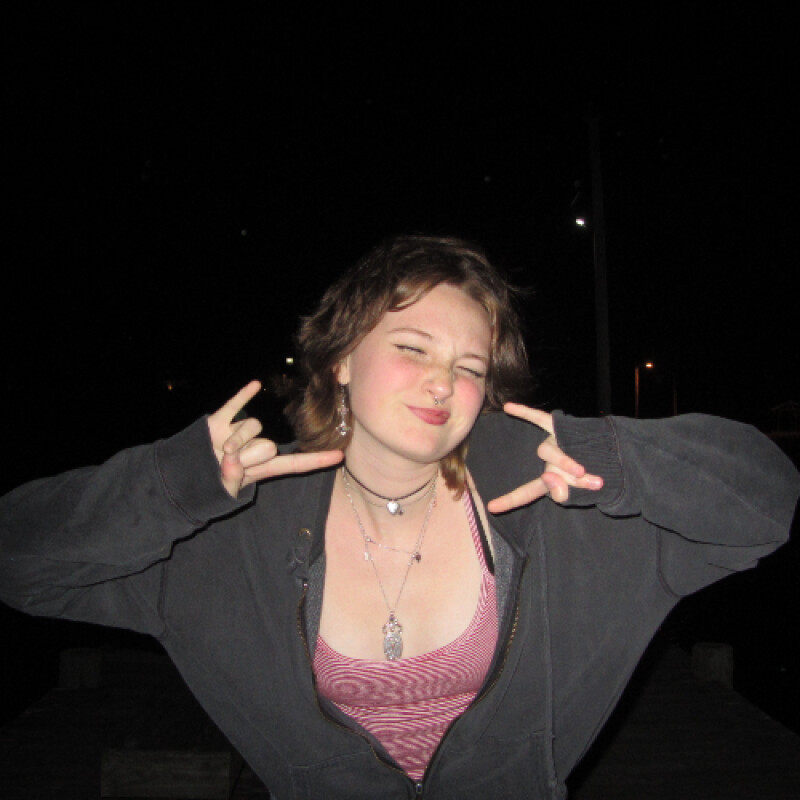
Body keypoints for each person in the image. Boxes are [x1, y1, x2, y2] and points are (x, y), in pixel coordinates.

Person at [1, 234, 798, 799]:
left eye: (469, 365)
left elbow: (766, 502)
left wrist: (616, 459)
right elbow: (20, 560)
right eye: (413, 348)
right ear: (342, 359)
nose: (442, 382)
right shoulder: (229, 532)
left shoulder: (564, 510)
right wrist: (171, 488)